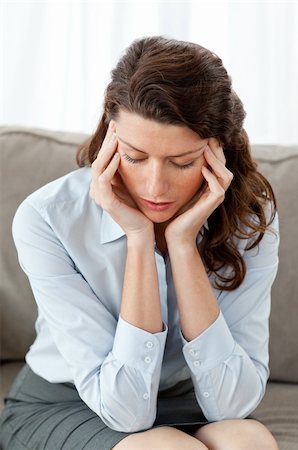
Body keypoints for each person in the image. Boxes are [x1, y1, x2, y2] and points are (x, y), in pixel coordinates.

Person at [0, 36, 280, 450]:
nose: (155, 187)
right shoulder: (47, 217)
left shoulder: (249, 219)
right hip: (74, 400)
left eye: (182, 163)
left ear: (219, 150)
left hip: (191, 398)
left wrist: (183, 245)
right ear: (111, 137)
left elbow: (232, 405)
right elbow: (127, 410)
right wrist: (138, 239)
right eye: (134, 156)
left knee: (248, 440)